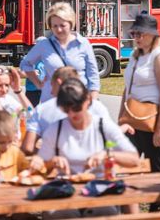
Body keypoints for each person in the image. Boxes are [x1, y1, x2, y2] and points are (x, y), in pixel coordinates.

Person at [31, 80, 139, 217]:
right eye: (66, 109)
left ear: (88, 101)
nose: (72, 114)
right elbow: (40, 166)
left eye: (76, 108)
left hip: (99, 191)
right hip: (65, 191)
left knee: (105, 211)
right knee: (63, 214)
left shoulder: (103, 126)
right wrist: (52, 162)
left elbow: (134, 159)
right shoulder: (55, 129)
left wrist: (107, 154)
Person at [119, 14, 160, 176]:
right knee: (130, 162)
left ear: (153, 34)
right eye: (134, 33)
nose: (136, 37)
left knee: (154, 165)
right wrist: (121, 118)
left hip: (155, 115)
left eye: (140, 33)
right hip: (134, 113)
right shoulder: (136, 55)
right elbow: (127, 88)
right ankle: (134, 191)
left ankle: (158, 193)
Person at [20, 2, 100, 103]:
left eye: (62, 25)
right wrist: (38, 83)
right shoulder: (44, 45)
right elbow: (25, 64)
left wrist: (93, 100)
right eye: (54, 26)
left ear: (71, 24)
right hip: (51, 102)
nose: (59, 29)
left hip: (79, 102)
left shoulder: (83, 44)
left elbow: (93, 75)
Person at [22, 68, 112, 155]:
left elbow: (28, 147)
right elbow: (111, 142)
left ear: (59, 82)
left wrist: (49, 155)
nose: (51, 92)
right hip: (95, 162)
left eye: (52, 85)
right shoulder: (98, 107)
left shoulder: (43, 109)